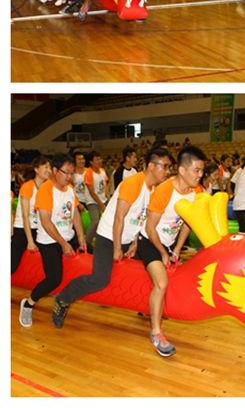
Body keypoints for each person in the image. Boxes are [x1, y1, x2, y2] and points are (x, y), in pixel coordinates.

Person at [51, 148, 172, 327]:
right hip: (108, 237)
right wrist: (117, 247)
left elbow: (141, 218)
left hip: (127, 239)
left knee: (149, 268)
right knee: (99, 280)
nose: (168, 171)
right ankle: (63, 298)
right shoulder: (133, 183)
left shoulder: (153, 189)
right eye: (166, 166)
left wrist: (135, 241)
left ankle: (146, 307)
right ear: (152, 166)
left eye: (170, 167)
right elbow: (119, 217)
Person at [136, 146, 206, 356]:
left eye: (202, 170)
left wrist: (176, 249)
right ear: (182, 171)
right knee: (161, 282)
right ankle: (156, 333)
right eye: (196, 170)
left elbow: (188, 223)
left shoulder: (197, 192)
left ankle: (150, 309)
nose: (200, 175)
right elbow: (150, 227)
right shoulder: (165, 190)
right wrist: (163, 253)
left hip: (167, 243)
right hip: (149, 241)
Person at [18, 154, 87, 328]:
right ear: (55, 171)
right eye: (66, 173)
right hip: (49, 241)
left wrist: (81, 237)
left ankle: (62, 300)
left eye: (71, 173)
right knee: (54, 278)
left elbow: (75, 214)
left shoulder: (69, 189)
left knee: (92, 256)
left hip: (68, 236)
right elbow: (46, 222)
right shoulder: (46, 190)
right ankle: (28, 304)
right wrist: (63, 244)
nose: (69, 177)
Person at [11, 156, 51, 274]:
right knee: (12, 265)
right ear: (36, 169)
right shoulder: (28, 186)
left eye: (50, 167)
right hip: (22, 230)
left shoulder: (47, 187)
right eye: (45, 167)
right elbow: (25, 216)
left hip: (38, 229)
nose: (49, 170)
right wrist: (30, 241)